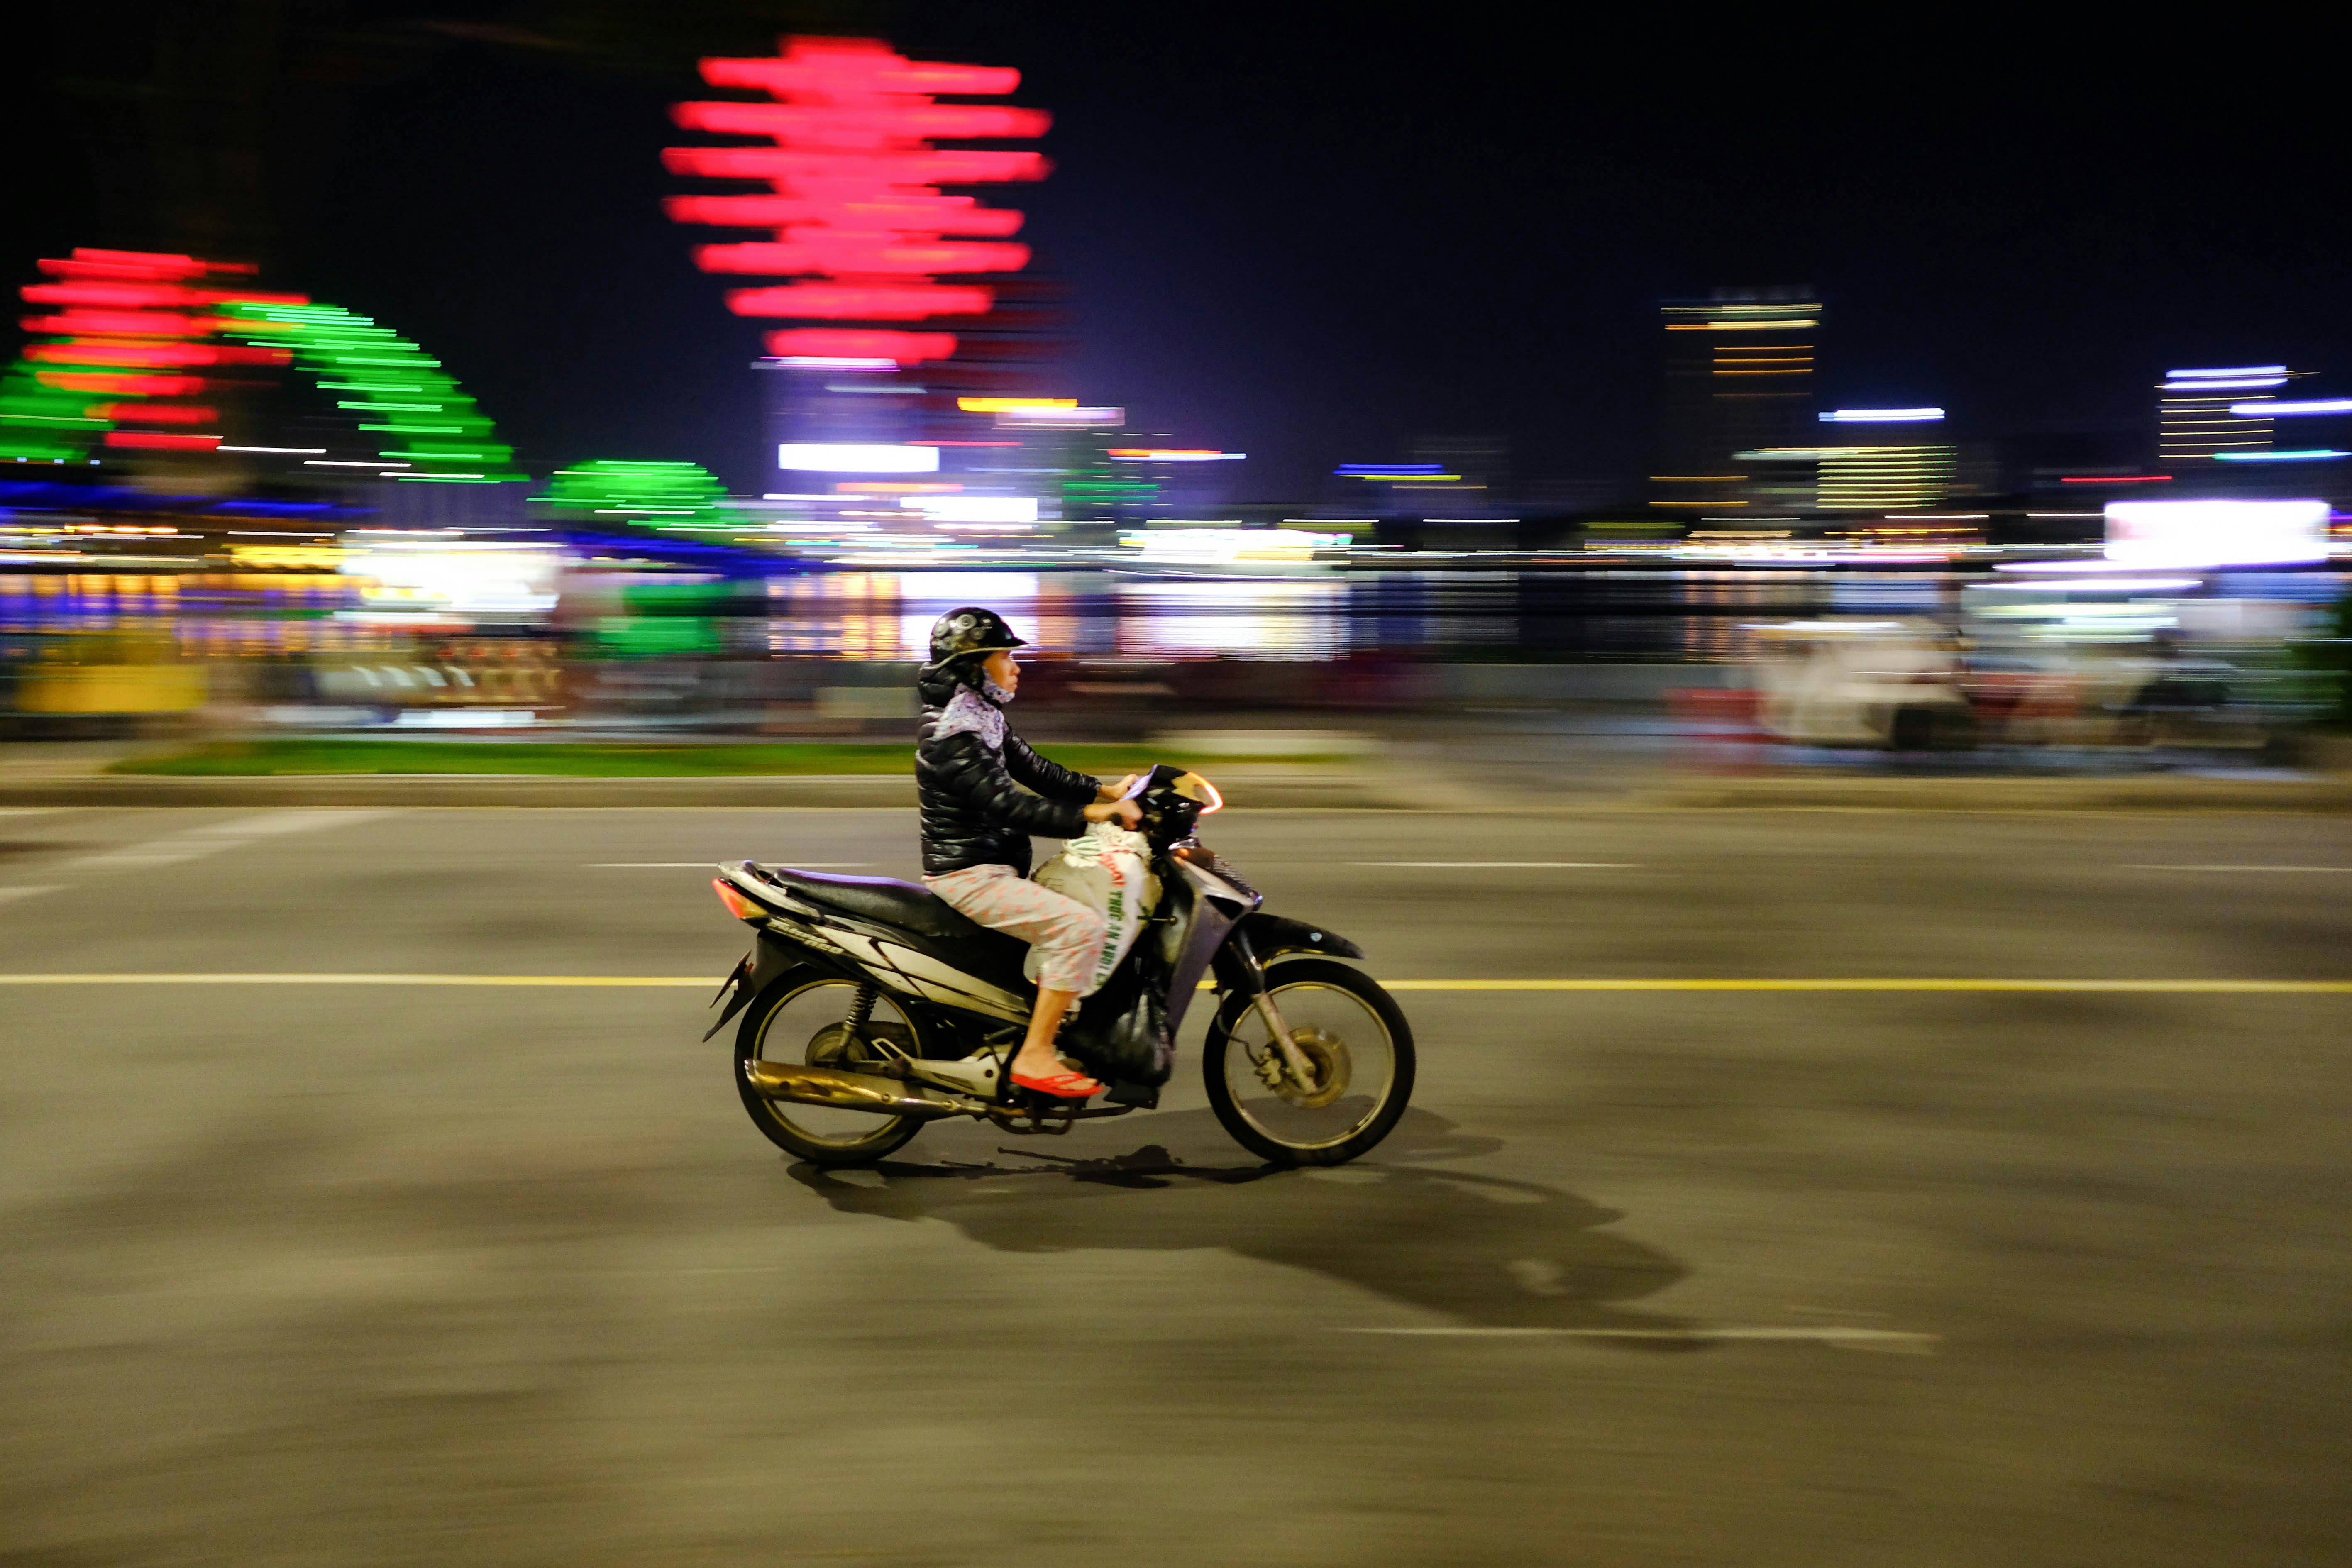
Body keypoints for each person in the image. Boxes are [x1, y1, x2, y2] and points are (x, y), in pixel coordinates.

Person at [915, 607, 1141, 1099]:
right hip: (970, 875)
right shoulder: (951, 734)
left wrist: (1104, 791)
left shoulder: (982, 716)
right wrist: (1090, 815)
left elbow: (1035, 769)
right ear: (972, 665)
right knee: (1080, 927)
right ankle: (1035, 1055)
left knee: (1089, 897)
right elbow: (1007, 803)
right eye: (1005, 656)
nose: (1016, 666)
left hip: (995, 865)